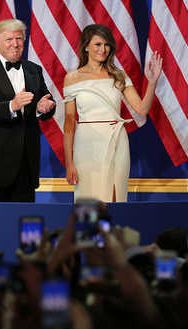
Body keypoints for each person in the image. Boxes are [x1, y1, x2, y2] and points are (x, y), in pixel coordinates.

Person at [63, 24, 162, 202]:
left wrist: (152, 82)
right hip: (87, 145)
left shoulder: (119, 75)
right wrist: (69, 162)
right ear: (86, 46)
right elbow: (69, 122)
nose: (103, 49)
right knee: (89, 203)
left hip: (117, 140)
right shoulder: (72, 78)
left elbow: (142, 109)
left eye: (107, 45)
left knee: (116, 199)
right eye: (98, 44)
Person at [0, 19, 56, 202]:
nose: (15, 44)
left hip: (25, 165)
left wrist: (42, 108)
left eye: (19, 39)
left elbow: (46, 101)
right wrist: (11, 106)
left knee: (23, 224)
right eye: (9, 39)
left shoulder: (33, 69)